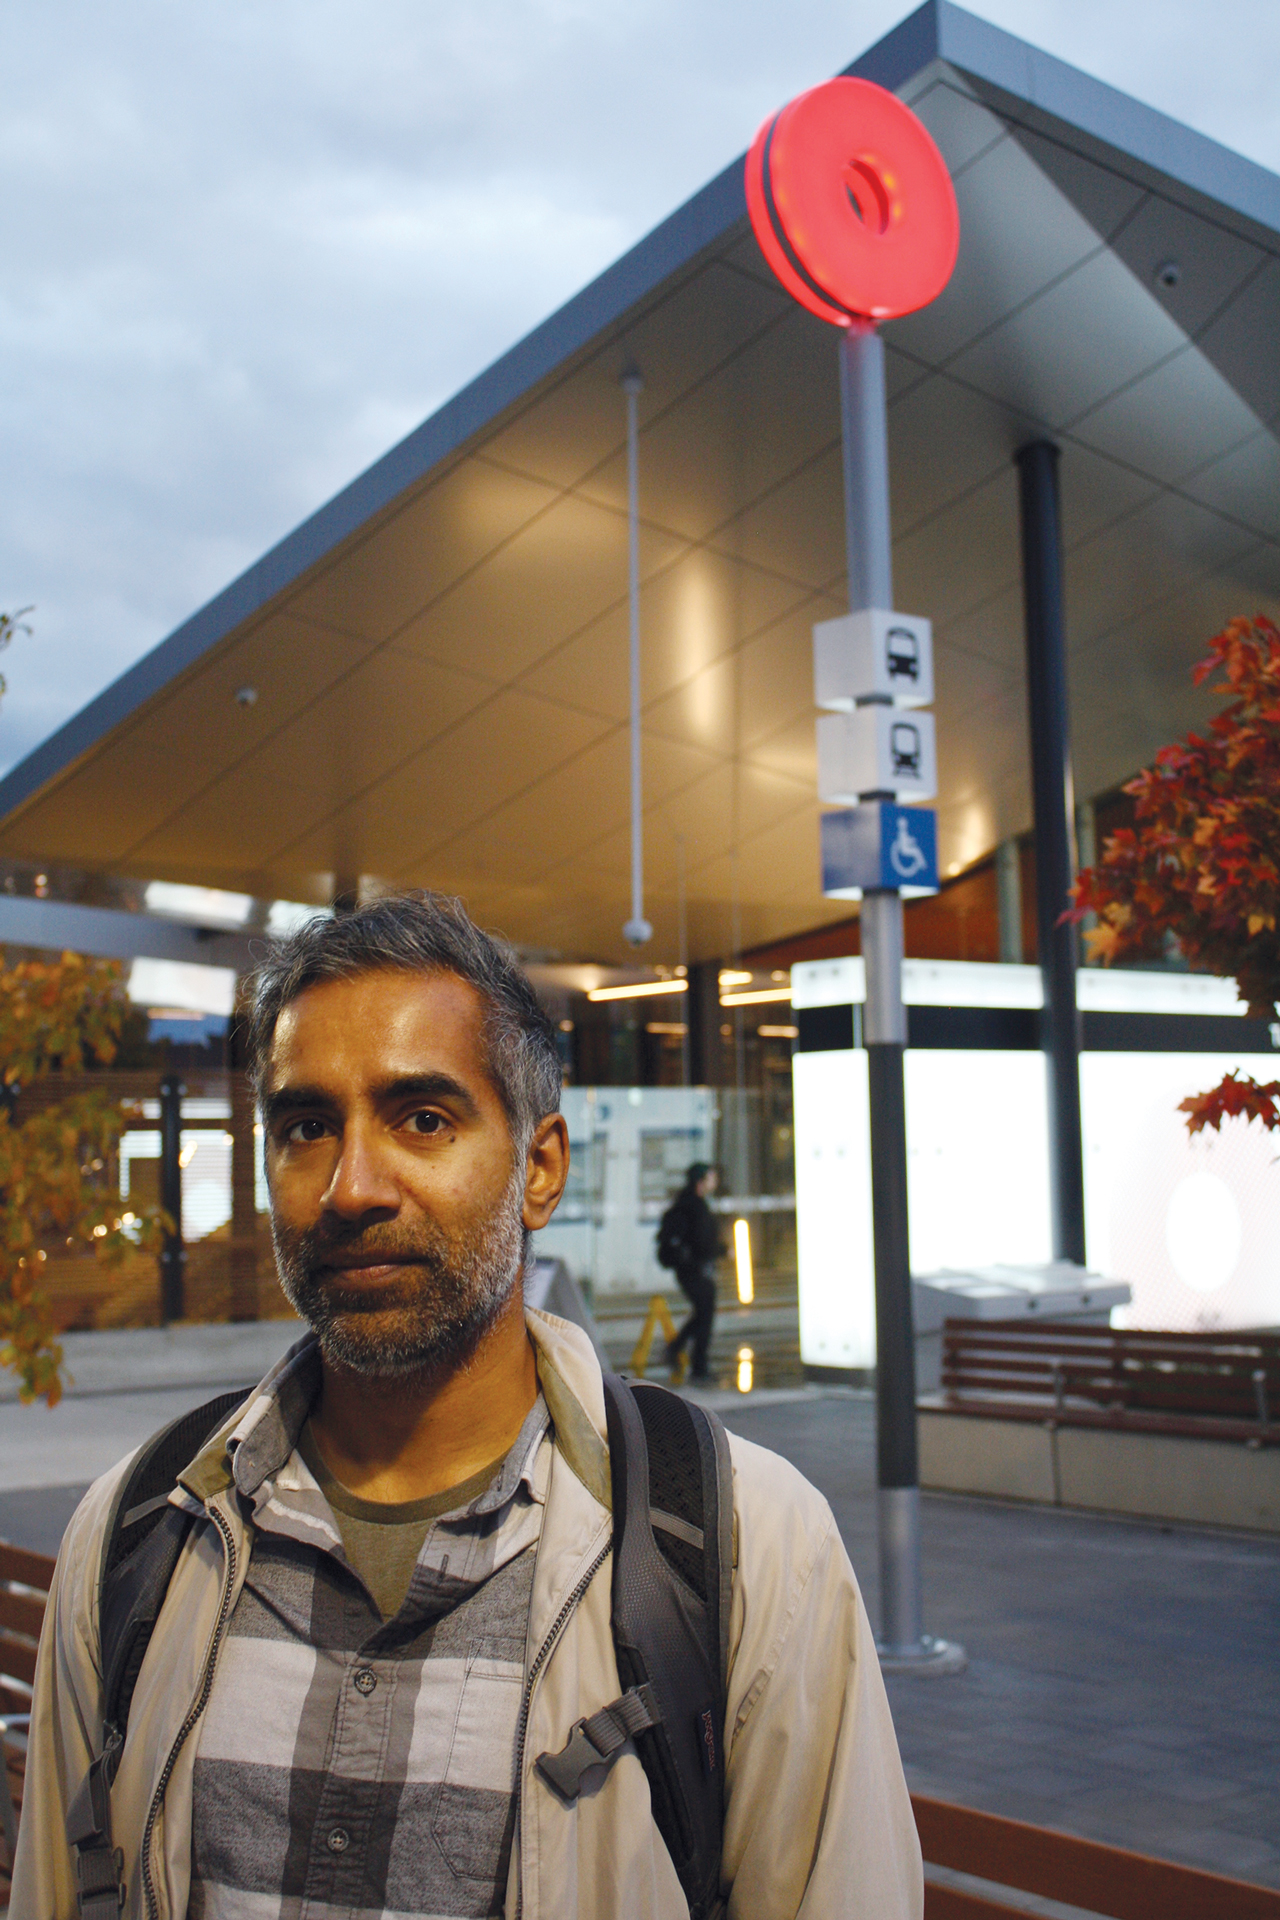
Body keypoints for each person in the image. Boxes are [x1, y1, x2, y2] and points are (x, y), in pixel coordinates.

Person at [12, 891, 923, 1920]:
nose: (352, 1186)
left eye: (423, 1118)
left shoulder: (748, 1549)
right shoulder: (139, 1535)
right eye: (307, 1126)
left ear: (538, 1168)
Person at [661, 1162, 724, 1381]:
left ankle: (676, 1349)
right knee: (705, 1316)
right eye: (711, 1178)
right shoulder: (696, 1206)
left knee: (702, 1313)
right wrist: (724, 1250)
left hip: (687, 1269)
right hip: (695, 1269)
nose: (714, 1182)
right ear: (701, 1181)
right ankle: (699, 1367)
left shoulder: (686, 1203)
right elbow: (702, 1241)